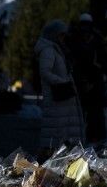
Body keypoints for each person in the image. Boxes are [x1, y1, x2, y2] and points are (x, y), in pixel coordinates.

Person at [35, 20, 84, 151]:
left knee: (63, 131)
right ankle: (55, 155)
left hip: (63, 97)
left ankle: (65, 154)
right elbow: (45, 72)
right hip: (57, 96)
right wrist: (62, 82)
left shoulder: (57, 49)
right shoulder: (48, 50)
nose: (63, 38)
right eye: (61, 35)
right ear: (54, 34)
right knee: (56, 131)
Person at [67, 13, 107, 144]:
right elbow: (73, 60)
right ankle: (80, 138)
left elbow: (105, 58)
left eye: (87, 25)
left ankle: (97, 138)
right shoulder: (74, 38)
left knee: (96, 112)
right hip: (80, 79)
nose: (85, 28)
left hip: (95, 79)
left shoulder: (97, 38)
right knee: (80, 112)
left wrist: (103, 69)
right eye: (83, 25)